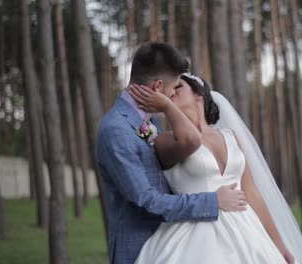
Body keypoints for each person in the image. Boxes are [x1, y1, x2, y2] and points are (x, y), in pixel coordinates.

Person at [128, 73, 302, 264]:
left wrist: (280, 245)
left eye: (179, 87)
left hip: (248, 233)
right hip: (196, 235)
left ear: (199, 95)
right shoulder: (166, 140)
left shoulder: (231, 136)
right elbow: (190, 138)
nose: (171, 92)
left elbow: (251, 194)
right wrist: (167, 107)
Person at [95, 43, 248, 264]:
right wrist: (212, 202)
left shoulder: (150, 120)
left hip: (177, 243)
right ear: (158, 87)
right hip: (139, 249)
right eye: (174, 87)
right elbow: (146, 201)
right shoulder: (116, 130)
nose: (173, 94)